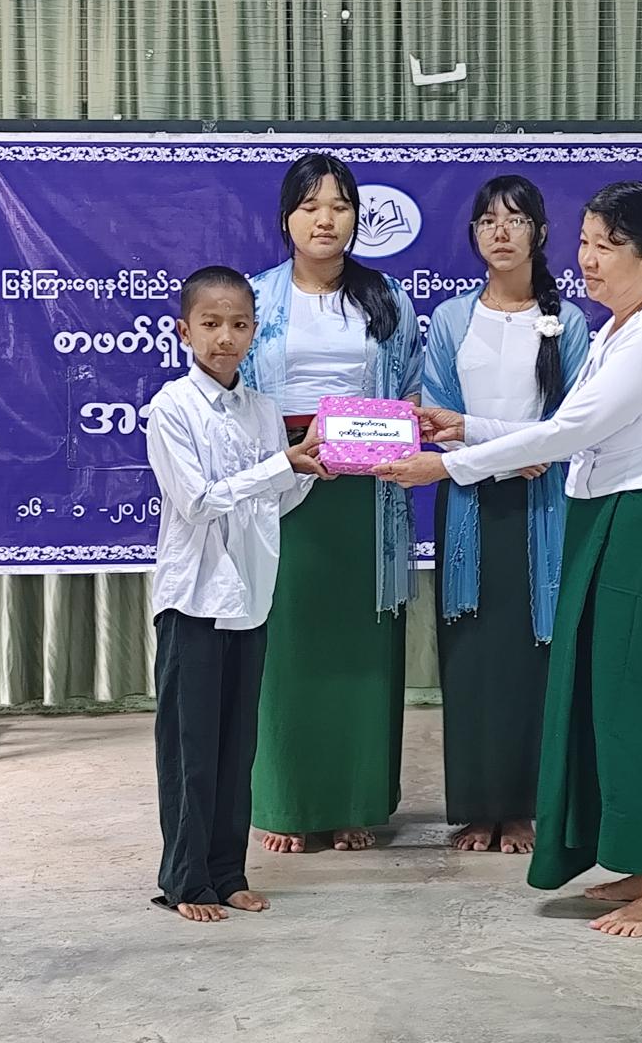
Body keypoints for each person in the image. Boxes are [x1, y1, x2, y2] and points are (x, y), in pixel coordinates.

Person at [377, 181, 642, 939]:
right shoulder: (618, 328)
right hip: (609, 514)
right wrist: (466, 427)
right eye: (585, 242)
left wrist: (446, 464)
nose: (588, 260)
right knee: (609, 701)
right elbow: (564, 427)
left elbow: (564, 435)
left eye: (608, 247)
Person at [240, 152, 422, 855]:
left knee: (362, 647)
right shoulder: (255, 298)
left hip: (367, 493)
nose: (326, 219)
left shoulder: (388, 298)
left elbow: (410, 387)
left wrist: (391, 434)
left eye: (340, 206)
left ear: (356, 218)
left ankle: (354, 800)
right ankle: (284, 802)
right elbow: (232, 394)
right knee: (287, 645)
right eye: (311, 206)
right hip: (283, 482)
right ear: (286, 217)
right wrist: (282, 454)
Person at [144, 266, 330, 923]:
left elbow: (275, 501)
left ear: (255, 330)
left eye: (240, 324)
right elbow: (196, 502)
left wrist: (313, 466)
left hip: (249, 597)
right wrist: (282, 465)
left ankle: (227, 873)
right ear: (184, 330)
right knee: (190, 749)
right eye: (211, 323)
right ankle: (185, 880)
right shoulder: (171, 408)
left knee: (236, 747)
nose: (226, 337)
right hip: (194, 600)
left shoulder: (262, 410)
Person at [422, 175, 590, 855]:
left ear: (540, 234)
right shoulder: (449, 320)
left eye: (515, 220)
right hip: (467, 501)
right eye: (488, 220)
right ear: (474, 235)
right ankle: (477, 806)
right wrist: (506, 450)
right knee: (470, 655)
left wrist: (523, 450)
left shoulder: (569, 323)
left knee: (531, 658)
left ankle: (522, 809)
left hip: (541, 505)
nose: (500, 231)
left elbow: (575, 424)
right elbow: (437, 419)